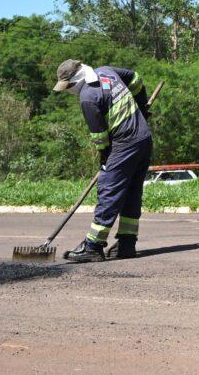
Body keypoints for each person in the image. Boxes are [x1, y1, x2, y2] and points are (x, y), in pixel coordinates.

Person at [53, 59, 152, 261]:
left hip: (124, 143)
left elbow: (100, 137)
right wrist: (141, 105)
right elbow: (135, 78)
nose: (68, 90)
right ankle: (126, 244)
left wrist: (105, 160)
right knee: (132, 190)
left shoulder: (87, 97)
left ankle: (93, 246)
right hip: (144, 139)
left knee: (109, 189)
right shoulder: (107, 72)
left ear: (76, 80)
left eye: (68, 86)